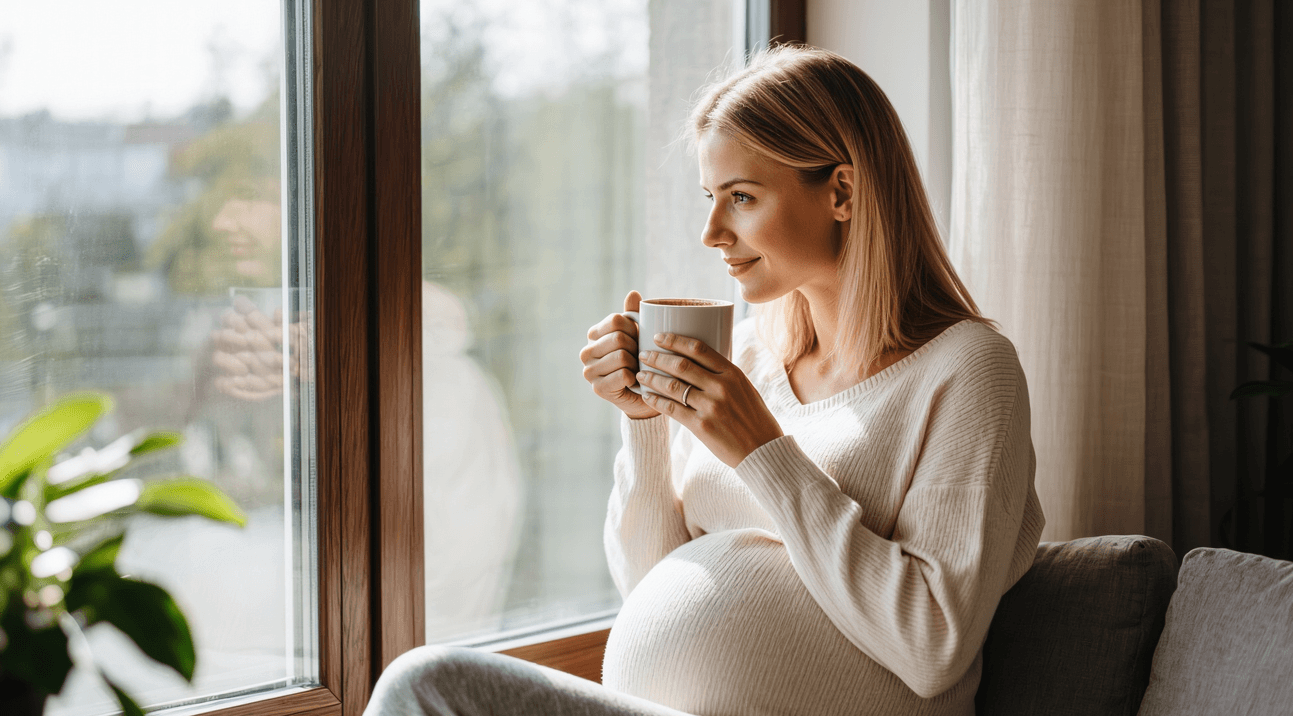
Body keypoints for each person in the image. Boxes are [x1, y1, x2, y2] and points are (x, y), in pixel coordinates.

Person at [366, 44, 1044, 716]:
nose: (711, 232)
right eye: (709, 199)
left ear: (840, 192)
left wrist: (761, 450)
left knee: (424, 684)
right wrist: (644, 422)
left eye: (741, 198)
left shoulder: (968, 370)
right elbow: (647, 585)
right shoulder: (745, 360)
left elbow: (933, 647)